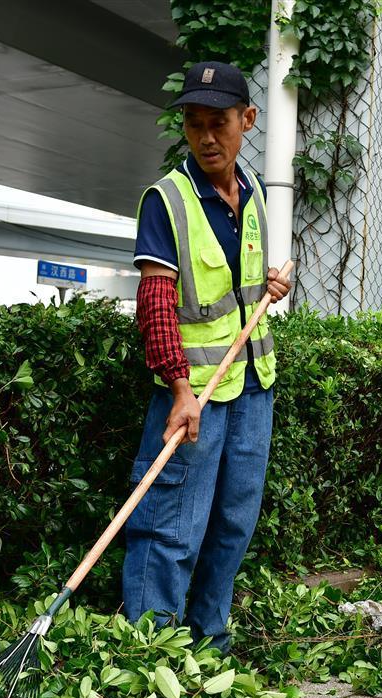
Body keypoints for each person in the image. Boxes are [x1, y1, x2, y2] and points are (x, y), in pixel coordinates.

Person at [121, 60, 291, 651]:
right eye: (195, 124)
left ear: (248, 120)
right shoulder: (166, 201)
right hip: (193, 395)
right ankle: (150, 653)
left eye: (219, 123)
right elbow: (156, 306)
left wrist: (271, 287)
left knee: (234, 523)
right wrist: (179, 389)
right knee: (171, 525)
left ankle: (207, 644)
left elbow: (239, 287)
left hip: (252, 386)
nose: (207, 137)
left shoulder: (256, 192)